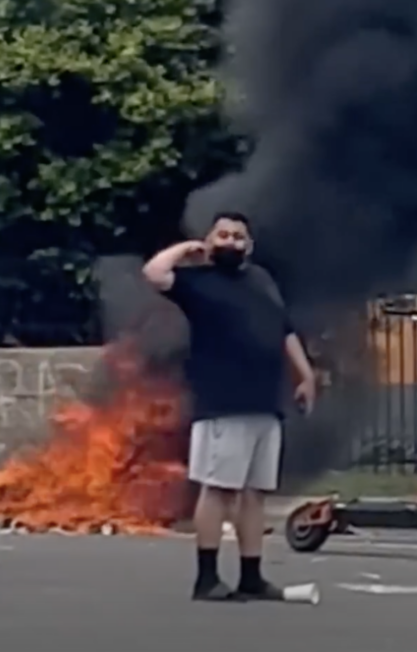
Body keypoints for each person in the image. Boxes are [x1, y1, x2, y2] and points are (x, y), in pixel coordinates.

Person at [143, 211, 317, 601]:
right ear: (209, 241)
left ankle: (251, 576)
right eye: (222, 235)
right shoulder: (197, 282)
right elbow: (153, 273)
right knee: (219, 489)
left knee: (255, 493)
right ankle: (207, 579)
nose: (231, 241)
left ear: (249, 246)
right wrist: (187, 249)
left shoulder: (261, 281)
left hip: (265, 402)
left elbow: (284, 328)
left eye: (238, 237)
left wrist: (305, 374)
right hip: (223, 403)